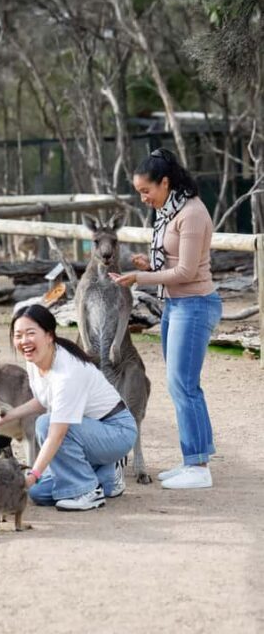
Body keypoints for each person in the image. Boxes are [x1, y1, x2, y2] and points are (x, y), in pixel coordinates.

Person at [110, 148, 222, 490]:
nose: (143, 198)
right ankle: (192, 459)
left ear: (166, 182)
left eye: (147, 190)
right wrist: (150, 266)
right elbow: (172, 265)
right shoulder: (168, 210)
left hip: (195, 304)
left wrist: (138, 278)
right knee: (180, 386)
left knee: (184, 386)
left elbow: (188, 271)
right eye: (140, 192)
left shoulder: (193, 213)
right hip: (175, 305)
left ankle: (199, 466)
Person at [0, 304, 137, 511]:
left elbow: (57, 434)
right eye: (18, 335)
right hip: (89, 433)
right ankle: (107, 474)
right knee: (38, 493)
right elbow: (45, 400)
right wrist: (8, 417)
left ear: (49, 335)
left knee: (44, 424)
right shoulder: (36, 358)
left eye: (30, 333)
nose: (24, 341)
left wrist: (32, 475)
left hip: (116, 431)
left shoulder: (67, 371)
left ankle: (87, 492)